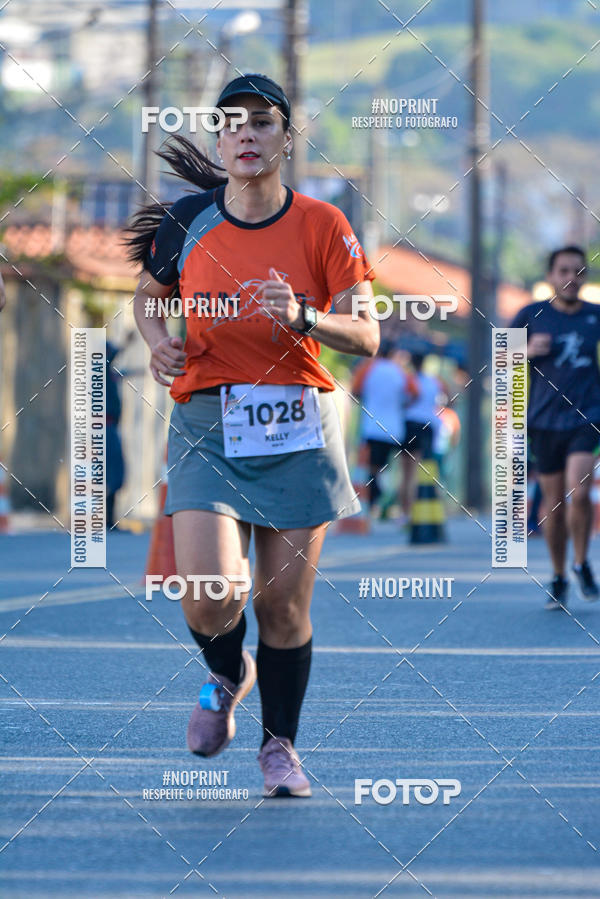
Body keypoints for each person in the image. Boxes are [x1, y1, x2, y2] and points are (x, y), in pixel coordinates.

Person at [128, 74, 378, 796]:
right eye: (232, 122)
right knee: (211, 593)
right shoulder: (188, 221)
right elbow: (148, 298)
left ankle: (280, 746)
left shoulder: (325, 224)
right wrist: (158, 342)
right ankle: (227, 669)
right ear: (219, 141)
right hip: (207, 420)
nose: (246, 132)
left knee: (283, 606)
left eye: (263, 121)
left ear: (286, 139)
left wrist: (304, 317)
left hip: (297, 420)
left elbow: (367, 334)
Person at [510, 245, 600, 609]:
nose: (570, 278)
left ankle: (581, 562)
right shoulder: (530, 315)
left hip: (588, 417)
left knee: (580, 490)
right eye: (563, 270)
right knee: (553, 505)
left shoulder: (595, 316)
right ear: (550, 276)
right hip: (544, 421)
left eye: (578, 271)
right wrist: (526, 351)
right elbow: (499, 361)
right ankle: (560, 575)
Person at [352, 341, 417, 519]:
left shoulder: (368, 368)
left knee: (372, 468)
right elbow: (415, 393)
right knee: (384, 468)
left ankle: (373, 503)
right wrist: (401, 404)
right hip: (394, 429)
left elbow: (355, 390)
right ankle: (381, 502)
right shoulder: (401, 372)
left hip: (372, 427)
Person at [402, 353, 447, 520]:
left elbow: (405, 400)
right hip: (428, 426)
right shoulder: (434, 381)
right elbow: (447, 398)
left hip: (410, 424)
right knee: (424, 470)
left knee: (407, 472)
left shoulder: (408, 379)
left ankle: (406, 512)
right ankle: (422, 510)